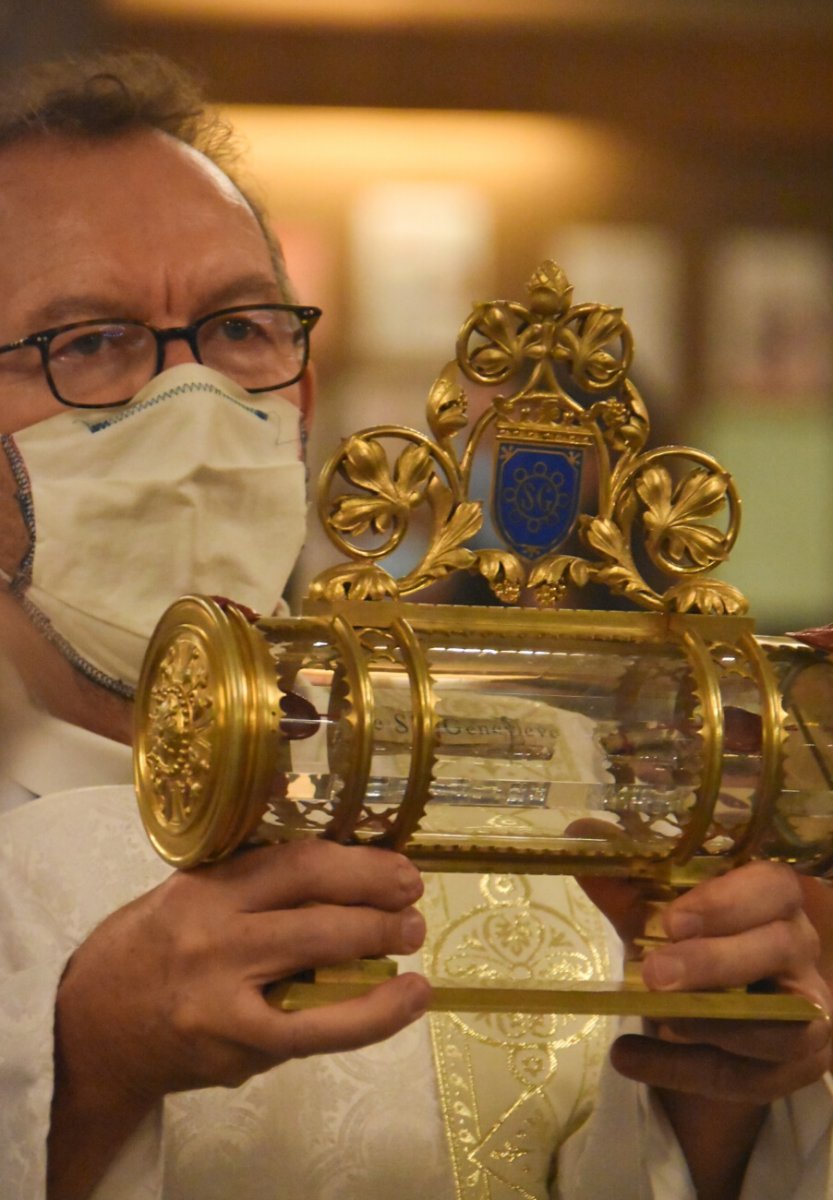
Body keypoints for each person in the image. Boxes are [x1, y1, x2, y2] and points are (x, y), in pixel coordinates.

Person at [0, 51, 830, 1200]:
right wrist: (82, 1074)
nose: (190, 402)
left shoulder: (529, 781)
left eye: (240, 328)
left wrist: (708, 1093)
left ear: (300, 393)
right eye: (88, 342)